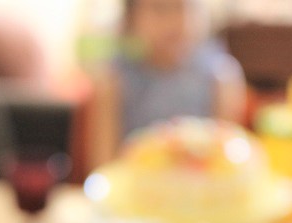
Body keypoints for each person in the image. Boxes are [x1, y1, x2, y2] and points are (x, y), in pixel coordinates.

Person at [86, 0, 246, 170]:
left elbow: (227, 159)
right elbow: (103, 167)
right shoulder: (114, 79)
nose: (174, 21)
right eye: (160, 9)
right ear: (131, 18)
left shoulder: (220, 75)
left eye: (183, 8)